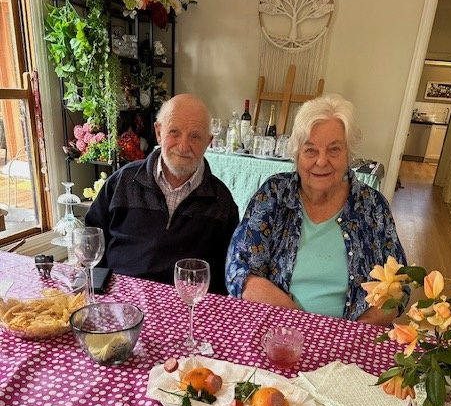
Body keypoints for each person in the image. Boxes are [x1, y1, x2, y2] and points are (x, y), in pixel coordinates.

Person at [225, 93, 407, 325]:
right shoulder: (274, 194)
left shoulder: (372, 206)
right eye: (310, 150)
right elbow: (239, 270)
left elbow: (399, 285)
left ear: (348, 154)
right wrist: (299, 326)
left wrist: (354, 334)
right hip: (279, 330)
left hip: (351, 337)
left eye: (334, 150)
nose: (321, 161)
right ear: (297, 154)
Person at [85, 94, 239, 294]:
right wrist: (99, 293)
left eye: (195, 136)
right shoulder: (122, 182)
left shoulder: (222, 202)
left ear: (208, 142)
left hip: (185, 306)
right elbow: (92, 239)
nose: (183, 146)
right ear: (158, 132)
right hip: (119, 301)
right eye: (174, 132)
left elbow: (226, 275)